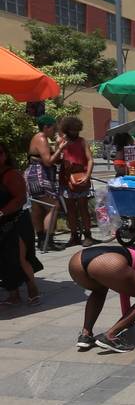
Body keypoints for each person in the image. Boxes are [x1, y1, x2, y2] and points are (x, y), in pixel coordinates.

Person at [69, 242, 135, 353]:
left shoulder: (133, 256)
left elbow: (124, 292)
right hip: (107, 261)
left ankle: (85, 335)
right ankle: (110, 336)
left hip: (77, 261)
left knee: (99, 290)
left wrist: (128, 319)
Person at [0, 141, 43, 305]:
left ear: (5, 155)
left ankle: (33, 289)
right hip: (3, 223)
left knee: (20, 258)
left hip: (16, 222)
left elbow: (20, 198)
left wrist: (2, 212)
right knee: (4, 259)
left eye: (1, 153)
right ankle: (14, 294)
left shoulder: (11, 174)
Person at [25, 114, 64, 252]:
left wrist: (57, 147)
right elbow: (48, 161)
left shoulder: (39, 138)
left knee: (37, 207)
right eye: (53, 128)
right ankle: (48, 239)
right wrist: (60, 147)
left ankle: (42, 240)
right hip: (39, 175)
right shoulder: (41, 138)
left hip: (34, 174)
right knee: (53, 206)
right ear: (46, 127)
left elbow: (51, 158)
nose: (54, 131)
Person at [58, 116, 97, 248]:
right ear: (67, 129)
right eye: (72, 130)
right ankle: (74, 235)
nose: (74, 132)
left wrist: (87, 175)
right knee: (70, 210)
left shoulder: (82, 141)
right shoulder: (62, 141)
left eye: (76, 130)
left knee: (83, 208)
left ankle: (87, 234)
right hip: (66, 179)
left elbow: (90, 160)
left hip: (80, 177)